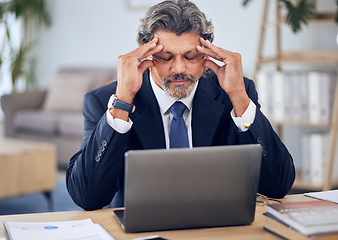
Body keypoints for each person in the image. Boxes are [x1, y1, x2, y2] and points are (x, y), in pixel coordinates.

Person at [66, 0, 295, 211]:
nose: (178, 69)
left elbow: (278, 185)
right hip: (142, 228)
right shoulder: (106, 101)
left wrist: (239, 98)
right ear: (145, 53)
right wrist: (123, 100)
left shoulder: (233, 93)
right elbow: (87, 196)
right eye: (166, 57)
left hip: (217, 226)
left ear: (206, 53)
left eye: (190, 56)